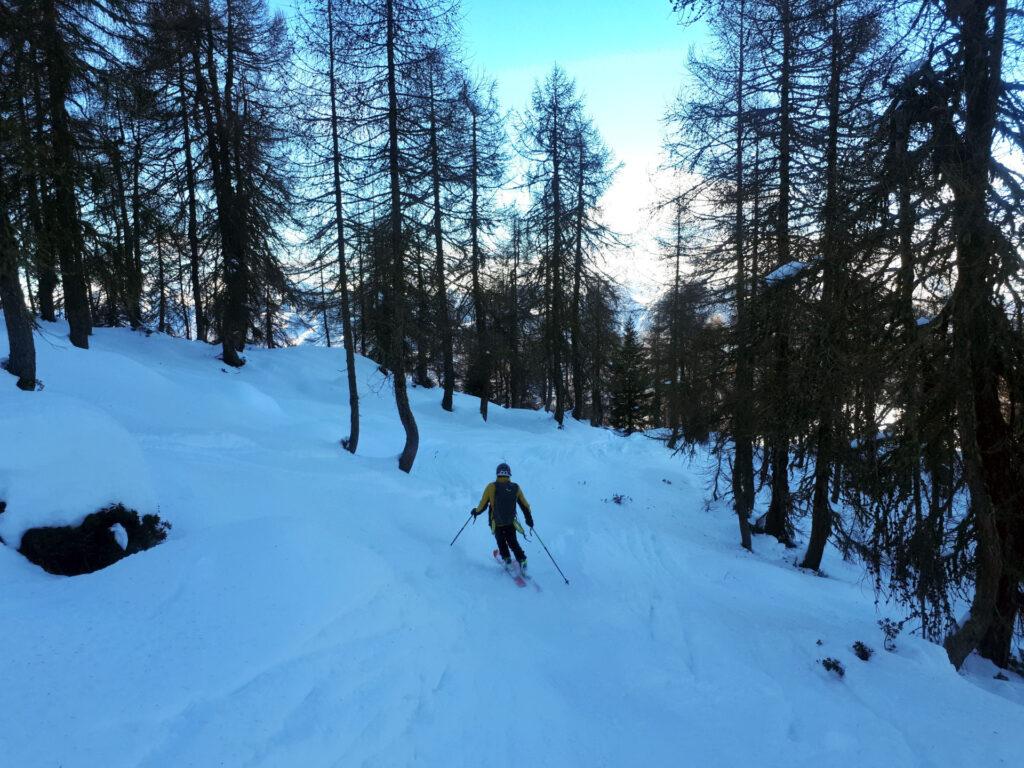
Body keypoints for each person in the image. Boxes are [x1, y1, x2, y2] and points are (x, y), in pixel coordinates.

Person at [471, 462, 534, 571]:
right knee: (512, 541)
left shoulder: (491, 487)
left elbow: (483, 505)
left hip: (496, 522)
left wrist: (475, 511)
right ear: (509, 474)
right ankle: (522, 560)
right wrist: (529, 519)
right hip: (510, 521)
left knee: (501, 541)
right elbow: (525, 505)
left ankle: (507, 560)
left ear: (497, 474)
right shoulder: (515, 487)